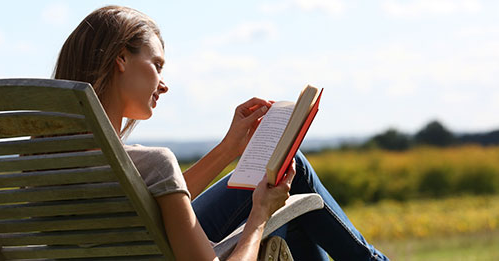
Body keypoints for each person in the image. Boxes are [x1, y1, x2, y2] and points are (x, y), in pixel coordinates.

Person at [54, 5, 388, 261]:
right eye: (157, 65)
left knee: (284, 175)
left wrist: (230, 148)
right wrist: (260, 214)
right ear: (121, 59)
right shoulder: (152, 163)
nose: (164, 84)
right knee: (289, 179)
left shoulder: (40, 165)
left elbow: (150, 205)